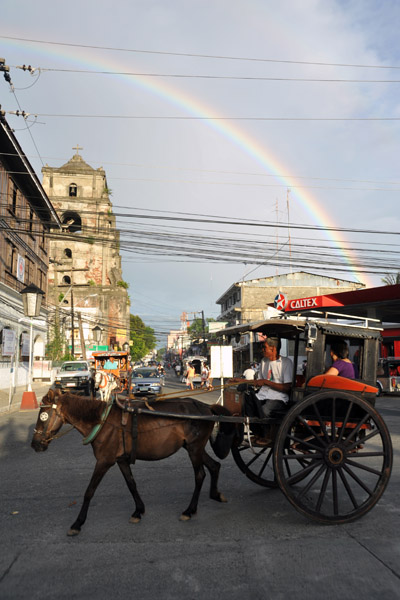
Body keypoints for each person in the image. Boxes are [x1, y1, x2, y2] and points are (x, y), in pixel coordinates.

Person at [229, 337, 293, 446]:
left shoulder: (286, 362)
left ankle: (267, 435)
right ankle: (258, 434)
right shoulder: (264, 361)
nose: (262, 350)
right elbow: (258, 382)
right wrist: (239, 380)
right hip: (263, 395)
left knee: (265, 410)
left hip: (279, 397)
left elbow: (287, 387)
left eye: (264, 348)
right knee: (247, 404)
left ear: (273, 349)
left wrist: (266, 382)